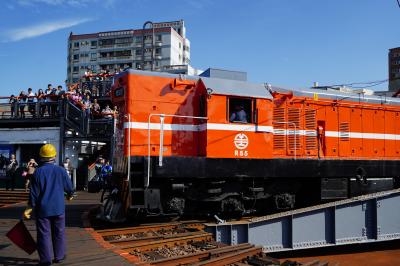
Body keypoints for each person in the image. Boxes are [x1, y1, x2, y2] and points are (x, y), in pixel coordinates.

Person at [24, 144, 74, 266]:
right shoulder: (61, 170)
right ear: (54, 156)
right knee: (59, 232)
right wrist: (69, 195)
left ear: (41, 156)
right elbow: (69, 188)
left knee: (43, 234)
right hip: (58, 208)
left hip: (43, 209)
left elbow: (34, 193)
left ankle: (45, 260)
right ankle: (59, 256)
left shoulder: (38, 172)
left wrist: (29, 208)